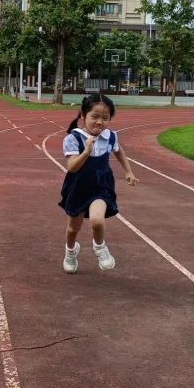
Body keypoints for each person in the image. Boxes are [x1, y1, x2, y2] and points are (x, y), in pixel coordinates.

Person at [59, 93, 137, 273]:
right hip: (78, 187)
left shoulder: (110, 137)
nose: (99, 122)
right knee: (73, 229)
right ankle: (70, 252)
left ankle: (100, 248)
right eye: (94, 117)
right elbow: (72, 167)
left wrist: (128, 171)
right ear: (83, 115)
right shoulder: (74, 139)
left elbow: (119, 152)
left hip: (101, 186)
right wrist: (86, 151)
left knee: (97, 220)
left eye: (105, 118)